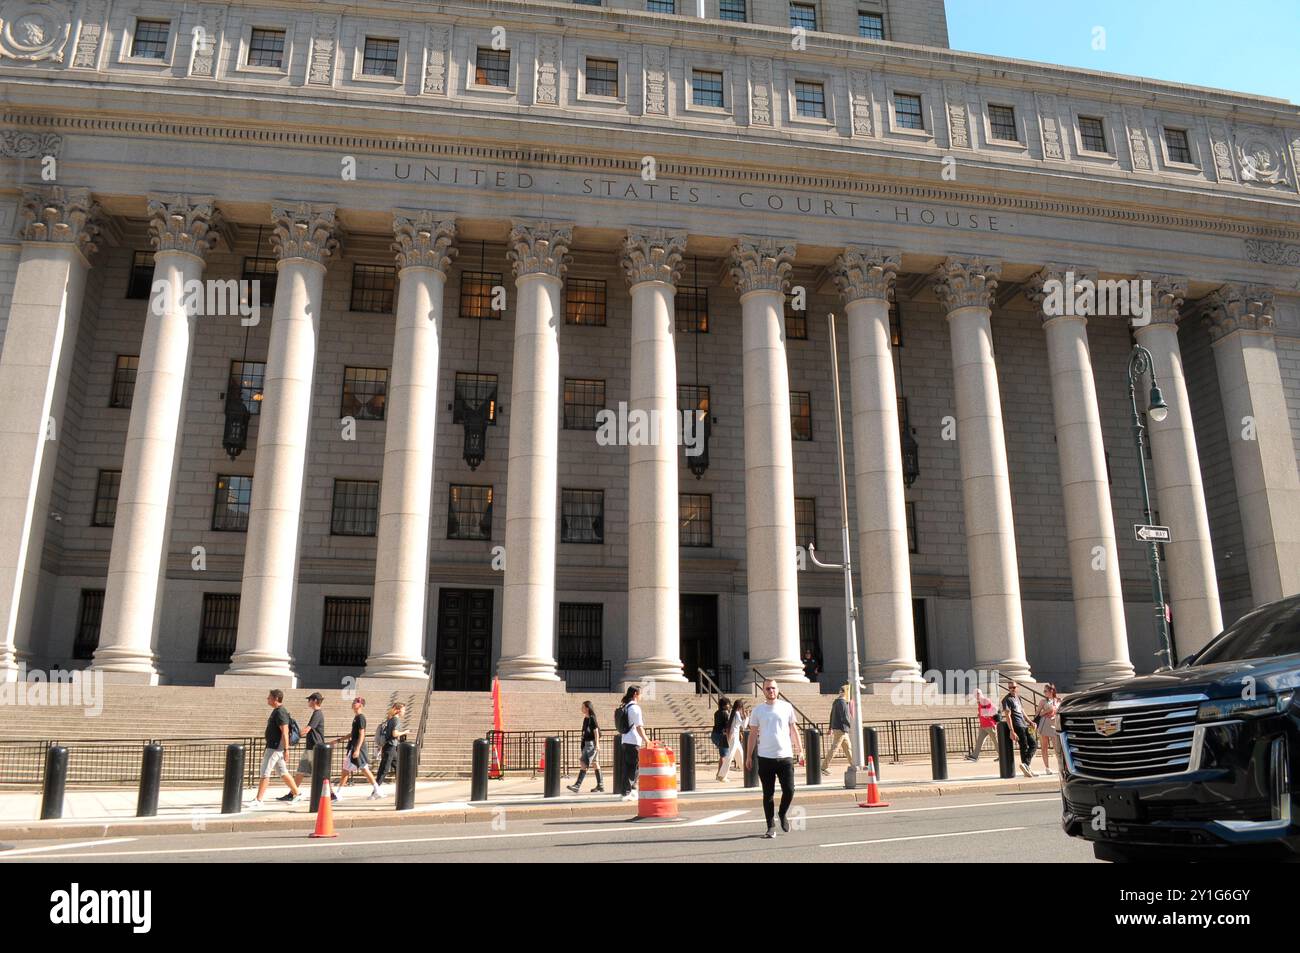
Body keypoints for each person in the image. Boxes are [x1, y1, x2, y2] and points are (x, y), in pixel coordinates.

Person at [745, 679, 803, 838]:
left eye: (773, 688)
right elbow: (752, 734)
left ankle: (782, 813)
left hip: (785, 756)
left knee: (789, 790)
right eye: (767, 688)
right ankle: (770, 826)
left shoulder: (787, 707)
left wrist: (800, 751)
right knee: (768, 794)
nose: (771, 691)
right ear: (763, 691)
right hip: (765, 757)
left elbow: (793, 730)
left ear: (777, 690)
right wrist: (748, 756)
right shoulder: (758, 710)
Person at [251, 688, 303, 808]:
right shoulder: (277, 711)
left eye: (269, 697)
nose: (267, 699)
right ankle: (297, 793)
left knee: (265, 772)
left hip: (275, 748)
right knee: (283, 772)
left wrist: (286, 750)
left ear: (275, 699)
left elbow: (285, 732)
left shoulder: (280, 712)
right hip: (274, 747)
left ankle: (259, 800)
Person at [286, 691, 332, 802]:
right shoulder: (316, 713)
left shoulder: (318, 713)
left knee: (321, 773)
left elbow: (307, 729)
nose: (308, 701)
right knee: (301, 771)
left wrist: (294, 735)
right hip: (310, 748)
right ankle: (292, 793)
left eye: (309, 699)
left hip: (316, 748)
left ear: (315, 701)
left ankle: (331, 793)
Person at [337, 696, 382, 799]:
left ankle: (339, 793)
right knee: (363, 769)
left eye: (355, 702)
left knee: (347, 770)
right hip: (355, 747)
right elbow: (353, 733)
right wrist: (339, 740)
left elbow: (362, 734)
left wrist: (357, 749)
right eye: (353, 701)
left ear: (360, 705)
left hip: (357, 748)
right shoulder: (357, 717)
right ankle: (377, 790)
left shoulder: (361, 717)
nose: (353, 703)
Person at [617, 686, 648, 801]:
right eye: (640, 694)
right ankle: (628, 792)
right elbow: (639, 727)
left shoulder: (625, 706)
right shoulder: (635, 708)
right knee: (634, 767)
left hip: (625, 740)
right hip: (633, 741)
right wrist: (647, 740)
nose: (641, 696)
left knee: (627, 767)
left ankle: (627, 791)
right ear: (635, 694)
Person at [567, 700, 605, 793]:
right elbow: (584, 732)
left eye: (583, 707)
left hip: (591, 744)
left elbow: (596, 731)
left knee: (584, 763)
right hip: (587, 743)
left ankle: (577, 785)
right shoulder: (586, 719)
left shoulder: (592, 718)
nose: (581, 709)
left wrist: (597, 744)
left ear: (587, 708)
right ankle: (600, 785)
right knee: (595, 763)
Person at [1001, 682, 1038, 777]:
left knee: (1034, 744)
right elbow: (1007, 716)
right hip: (1017, 725)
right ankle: (1026, 766)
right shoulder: (1006, 699)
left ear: (1017, 687)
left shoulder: (1018, 698)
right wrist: (1011, 731)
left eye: (1013, 687)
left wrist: (1030, 722)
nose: (1012, 689)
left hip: (1024, 725)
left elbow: (1022, 711)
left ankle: (1026, 765)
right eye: (1010, 688)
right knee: (1024, 746)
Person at [374, 701, 409, 793]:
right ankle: (375, 791)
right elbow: (394, 733)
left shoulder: (390, 719)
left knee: (399, 766)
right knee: (384, 769)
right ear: (398, 710)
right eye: (403, 710)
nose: (404, 712)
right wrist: (405, 732)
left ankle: (403, 788)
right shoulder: (396, 720)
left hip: (390, 746)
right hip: (390, 747)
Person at [822, 686, 853, 776]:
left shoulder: (836, 702)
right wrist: (852, 726)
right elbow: (845, 717)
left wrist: (830, 727)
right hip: (842, 728)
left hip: (838, 728)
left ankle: (854, 765)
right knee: (835, 748)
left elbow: (832, 715)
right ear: (845, 693)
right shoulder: (843, 703)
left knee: (848, 748)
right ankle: (823, 767)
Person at [716, 699, 748, 782]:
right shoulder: (737, 714)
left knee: (740, 755)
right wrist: (747, 717)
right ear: (741, 707)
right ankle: (722, 775)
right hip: (734, 737)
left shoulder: (732, 713)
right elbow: (744, 726)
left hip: (734, 737)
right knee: (729, 756)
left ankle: (747, 772)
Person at [964, 689, 1000, 762]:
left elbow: (994, 709)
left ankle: (1002, 755)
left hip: (989, 724)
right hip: (983, 725)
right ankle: (974, 756)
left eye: (978, 693)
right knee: (980, 741)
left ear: (981, 693)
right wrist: (980, 714)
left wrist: (986, 714)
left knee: (995, 741)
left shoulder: (985, 700)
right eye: (976, 694)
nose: (977, 695)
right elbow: (985, 712)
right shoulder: (980, 702)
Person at [1035, 684, 1061, 775]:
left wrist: (1054, 712)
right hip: (1044, 724)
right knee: (1044, 747)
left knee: (1057, 747)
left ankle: (1060, 767)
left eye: (1046, 691)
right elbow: (1037, 714)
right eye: (1044, 691)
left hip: (1054, 724)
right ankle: (1047, 768)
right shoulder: (1043, 701)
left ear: (1052, 691)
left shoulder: (1058, 700)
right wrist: (1047, 711)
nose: (1044, 693)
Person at [710, 696, 731, 777]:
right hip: (722, 735)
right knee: (724, 756)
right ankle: (720, 774)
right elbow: (727, 726)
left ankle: (720, 772)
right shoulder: (725, 713)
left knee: (723, 755)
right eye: (728, 704)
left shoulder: (716, 712)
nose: (729, 705)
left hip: (714, 734)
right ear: (725, 705)